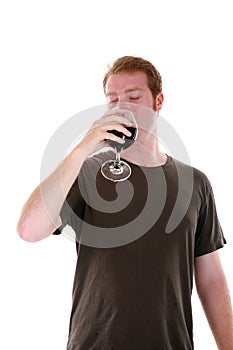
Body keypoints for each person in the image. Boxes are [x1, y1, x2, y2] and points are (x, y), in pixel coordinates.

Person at [17, 56, 233, 349]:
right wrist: (82, 149)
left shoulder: (195, 183)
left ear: (158, 102)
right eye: (113, 100)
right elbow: (29, 230)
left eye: (133, 97)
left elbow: (212, 280)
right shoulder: (85, 173)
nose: (122, 107)